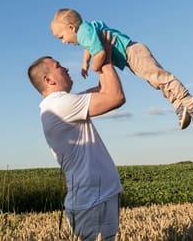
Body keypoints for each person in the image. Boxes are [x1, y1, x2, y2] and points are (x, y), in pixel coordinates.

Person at [28, 31, 125, 241]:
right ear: (48, 79)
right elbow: (115, 97)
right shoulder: (59, 105)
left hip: (99, 196)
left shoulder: (64, 103)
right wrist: (104, 57)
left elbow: (104, 88)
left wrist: (98, 54)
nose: (65, 68)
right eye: (59, 66)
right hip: (91, 201)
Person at [50, 8, 193, 130]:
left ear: (71, 28)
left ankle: (192, 102)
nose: (63, 42)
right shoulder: (86, 31)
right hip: (131, 54)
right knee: (156, 82)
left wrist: (95, 67)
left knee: (160, 78)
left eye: (61, 37)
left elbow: (100, 52)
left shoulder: (84, 32)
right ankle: (179, 105)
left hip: (132, 52)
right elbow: (89, 47)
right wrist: (85, 63)